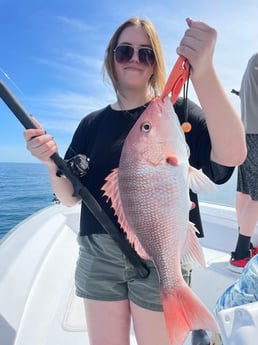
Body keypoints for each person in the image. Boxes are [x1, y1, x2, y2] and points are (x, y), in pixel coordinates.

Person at [24, 17, 246, 345]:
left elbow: (231, 155)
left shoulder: (176, 111)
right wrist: (48, 162)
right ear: (110, 58)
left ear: (156, 62)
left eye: (146, 54)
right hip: (98, 251)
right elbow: (70, 197)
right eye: (124, 51)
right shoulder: (91, 124)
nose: (134, 59)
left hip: (161, 255)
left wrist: (205, 70)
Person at [229, 53, 258, 273]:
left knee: (245, 191)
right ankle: (240, 254)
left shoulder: (253, 60)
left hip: (245, 132)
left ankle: (245, 246)